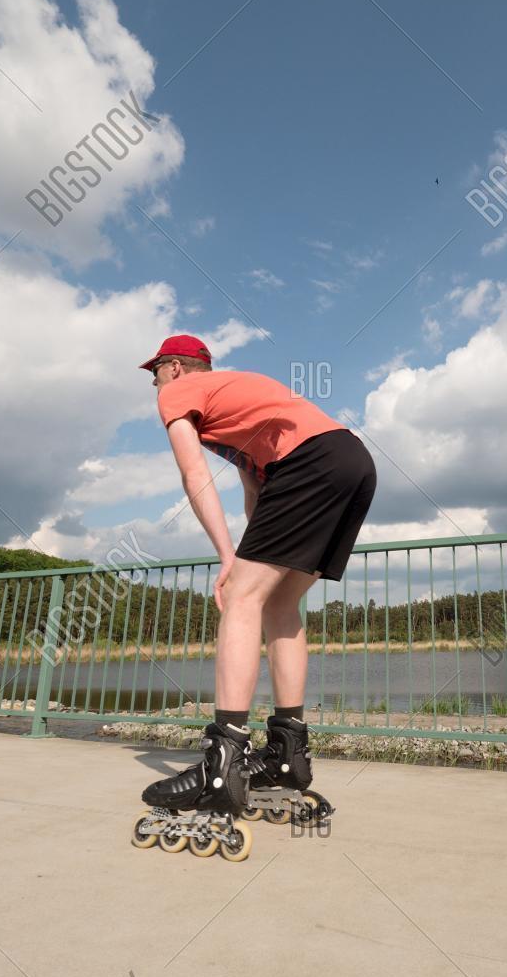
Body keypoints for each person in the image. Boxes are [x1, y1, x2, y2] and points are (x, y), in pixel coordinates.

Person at [137, 334, 376, 833]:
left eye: (155, 370)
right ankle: (289, 757)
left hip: (309, 464)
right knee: (279, 604)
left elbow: (192, 475)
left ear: (176, 368)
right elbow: (259, 495)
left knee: (240, 599)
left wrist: (229, 561)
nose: (153, 381)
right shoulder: (237, 403)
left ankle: (221, 766)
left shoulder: (177, 394)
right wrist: (249, 558)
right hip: (352, 462)